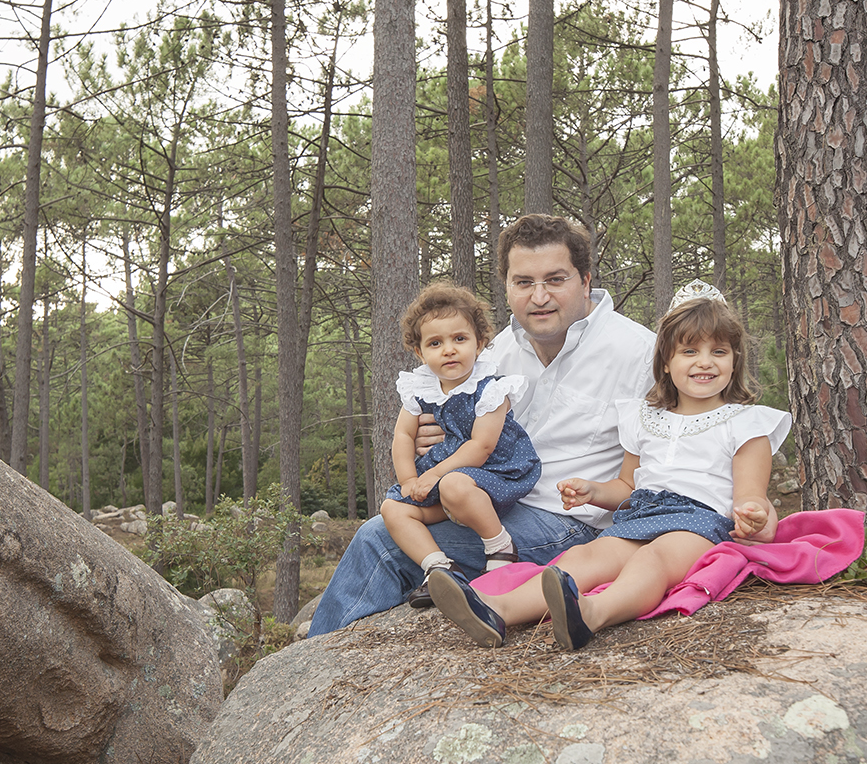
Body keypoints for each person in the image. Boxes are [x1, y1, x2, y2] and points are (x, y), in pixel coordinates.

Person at [307, 213, 655, 635]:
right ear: (507, 286)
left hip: (566, 521)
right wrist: (432, 437)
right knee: (392, 519)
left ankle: (313, 676)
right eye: (524, 282)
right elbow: (447, 423)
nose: (539, 296)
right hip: (483, 497)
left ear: (584, 280)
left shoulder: (639, 354)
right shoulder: (493, 353)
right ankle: (328, 666)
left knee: (378, 541)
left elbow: (666, 453)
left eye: (555, 280)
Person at [431, 284, 789, 649]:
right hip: (643, 516)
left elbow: (751, 495)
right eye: (689, 350)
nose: (704, 361)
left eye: (719, 351)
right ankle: (496, 609)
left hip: (698, 523)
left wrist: (754, 514)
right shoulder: (645, 418)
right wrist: (594, 492)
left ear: (734, 359)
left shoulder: (746, 424)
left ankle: (592, 613)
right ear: (666, 360)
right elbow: (628, 488)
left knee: (654, 559)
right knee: (587, 555)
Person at [380, 281, 542, 585]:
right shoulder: (421, 388)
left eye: (459, 338)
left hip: (496, 470)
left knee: (453, 483)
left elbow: (481, 446)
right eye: (435, 343)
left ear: (478, 344)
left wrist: (435, 475)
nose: (449, 349)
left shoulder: (491, 389)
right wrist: (408, 480)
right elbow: (403, 436)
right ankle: (438, 568)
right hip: (448, 478)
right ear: (419, 351)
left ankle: (501, 548)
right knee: (392, 508)